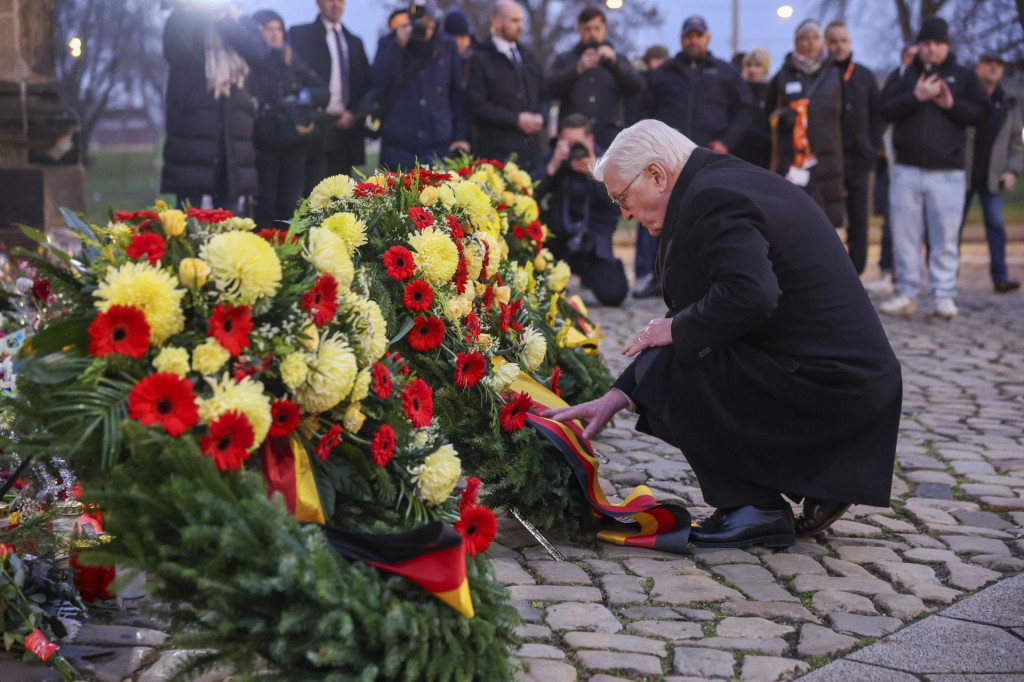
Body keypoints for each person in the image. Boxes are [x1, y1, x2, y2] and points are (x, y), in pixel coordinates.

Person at [543, 120, 902, 548]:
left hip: (835, 389)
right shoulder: (716, 182)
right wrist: (618, 396)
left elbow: (749, 295)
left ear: (657, 175)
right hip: (844, 379)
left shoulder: (713, 198)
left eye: (622, 198)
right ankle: (816, 481)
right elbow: (704, 309)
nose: (625, 214)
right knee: (688, 341)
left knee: (687, 359)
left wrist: (675, 330)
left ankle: (753, 507)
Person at [634, 16, 755, 300]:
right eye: (688, 35)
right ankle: (656, 277)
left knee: (706, 217)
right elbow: (642, 113)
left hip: (708, 160)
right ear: (681, 38)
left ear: (707, 38)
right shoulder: (663, 74)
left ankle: (706, 279)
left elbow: (746, 110)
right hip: (666, 162)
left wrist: (727, 141)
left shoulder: (725, 73)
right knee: (660, 217)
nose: (693, 40)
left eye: (698, 35)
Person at [879, 16, 990, 319]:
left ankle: (943, 294)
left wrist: (952, 105)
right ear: (918, 45)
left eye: (938, 43)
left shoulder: (963, 76)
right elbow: (884, 109)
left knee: (945, 237)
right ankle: (906, 292)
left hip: (948, 171)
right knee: (905, 236)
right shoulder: (903, 75)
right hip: (906, 169)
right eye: (926, 43)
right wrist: (915, 98)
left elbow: (983, 114)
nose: (931, 49)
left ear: (947, 46)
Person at [161, 1, 268, 211]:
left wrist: (223, 20)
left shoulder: (240, 21)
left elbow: (258, 54)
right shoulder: (182, 18)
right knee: (187, 214)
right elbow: (176, 53)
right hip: (192, 134)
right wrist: (187, 11)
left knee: (227, 217)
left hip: (232, 134)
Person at [532, 114, 628, 307]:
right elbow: (530, 191)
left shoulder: (605, 160)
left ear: (590, 140)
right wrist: (553, 166)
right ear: (560, 141)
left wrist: (596, 173)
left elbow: (618, 207)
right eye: (568, 144)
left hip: (592, 247)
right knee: (535, 290)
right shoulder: (556, 158)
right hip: (557, 242)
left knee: (614, 294)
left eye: (578, 144)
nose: (574, 149)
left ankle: (600, 272)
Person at [250, 10, 329, 227]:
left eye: (279, 29)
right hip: (264, 145)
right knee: (265, 206)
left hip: (293, 144)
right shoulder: (253, 62)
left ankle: (287, 246)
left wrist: (301, 99)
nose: (275, 34)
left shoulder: (292, 60)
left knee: (289, 206)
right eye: (269, 29)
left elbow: (322, 90)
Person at [371, 0, 469, 169]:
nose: (422, 28)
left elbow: (457, 96)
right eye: (418, 22)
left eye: (427, 23)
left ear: (434, 21)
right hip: (397, 145)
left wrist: (460, 137)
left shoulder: (446, 45)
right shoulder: (389, 42)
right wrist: (398, 45)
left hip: (437, 145)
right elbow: (377, 82)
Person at [766, 19, 845, 227]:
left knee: (827, 226)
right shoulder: (782, 76)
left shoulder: (835, 74)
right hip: (792, 161)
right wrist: (785, 117)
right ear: (796, 43)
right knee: (792, 222)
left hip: (828, 161)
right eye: (805, 38)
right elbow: (768, 114)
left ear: (822, 42)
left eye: (815, 38)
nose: (810, 43)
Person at [289, 0, 371, 189]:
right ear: (318, 3)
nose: (336, 5)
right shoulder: (300, 35)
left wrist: (354, 113)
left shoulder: (354, 41)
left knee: (342, 194)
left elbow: (365, 84)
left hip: (345, 129)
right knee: (312, 193)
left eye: (340, 0)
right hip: (313, 128)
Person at [826, 20, 884, 275]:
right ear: (826, 44)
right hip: (829, 160)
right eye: (833, 42)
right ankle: (829, 270)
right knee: (827, 219)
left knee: (859, 218)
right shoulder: (822, 75)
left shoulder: (864, 75)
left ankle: (856, 271)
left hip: (859, 160)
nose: (839, 46)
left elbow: (878, 115)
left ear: (850, 43)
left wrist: (871, 147)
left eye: (843, 41)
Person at [963, 52, 1022, 293]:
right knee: (951, 227)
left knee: (996, 226)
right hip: (962, 175)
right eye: (989, 63)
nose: (994, 68)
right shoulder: (966, 96)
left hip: (993, 176)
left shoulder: (1008, 101)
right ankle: (945, 281)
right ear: (978, 67)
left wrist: (1012, 171)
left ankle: (1000, 277)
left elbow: (1017, 142)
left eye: (998, 64)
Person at [547, 7, 644, 150]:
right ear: (579, 29)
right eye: (587, 29)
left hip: (609, 139)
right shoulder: (565, 60)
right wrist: (577, 69)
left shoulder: (618, 59)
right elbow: (549, 89)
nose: (592, 34)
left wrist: (615, 65)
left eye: (597, 28)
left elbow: (636, 87)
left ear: (605, 29)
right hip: (573, 140)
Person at [467, 0, 548, 171]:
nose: (521, 26)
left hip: (532, 156)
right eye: (514, 20)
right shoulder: (480, 58)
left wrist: (541, 117)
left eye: (521, 20)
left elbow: (545, 94)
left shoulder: (528, 56)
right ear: (496, 21)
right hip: (498, 157)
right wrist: (516, 120)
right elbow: (477, 105)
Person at [867, 43, 919, 295]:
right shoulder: (894, 85)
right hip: (892, 167)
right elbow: (882, 116)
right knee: (890, 222)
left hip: (918, 164)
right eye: (909, 56)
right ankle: (887, 271)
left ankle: (913, 275)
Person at [731, 47, 773, 169]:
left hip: (765, 159)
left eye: (758, 65)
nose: (752, 69)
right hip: (738, 158)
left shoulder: (772, 92)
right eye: (749, 65)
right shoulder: (736, 93)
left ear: (765, 68)